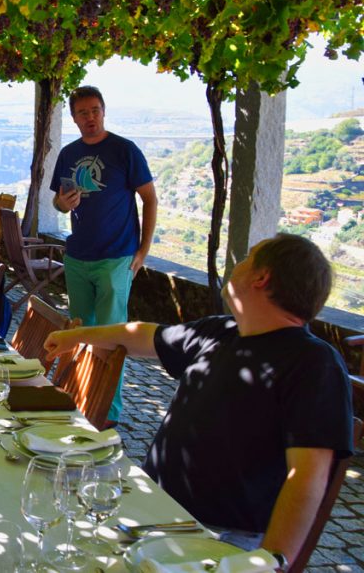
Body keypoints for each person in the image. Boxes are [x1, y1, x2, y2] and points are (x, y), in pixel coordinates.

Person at [43, 233, 354, 564]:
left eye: (248, 258)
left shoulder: (313, 363)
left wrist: (268, 562)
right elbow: (141, 335)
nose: (237, 264)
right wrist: (75, 336)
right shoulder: (220, 331)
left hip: (220, 537)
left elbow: (306, 479)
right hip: (151, 509)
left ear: (262, 278)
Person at [50, 85, 157, 425]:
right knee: (80, 333)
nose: (90, 117)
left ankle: (107, 412)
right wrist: (61, 203)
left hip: (116, 257)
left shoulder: (125, 150)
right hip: (78, 255)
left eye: (95, 110)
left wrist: (143, 251)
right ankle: (81, 397)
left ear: (103, 111)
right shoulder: (68, 153)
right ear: (74, 117)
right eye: (83, 112)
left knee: (111, 338)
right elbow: (58, 199)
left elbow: (150, 199)